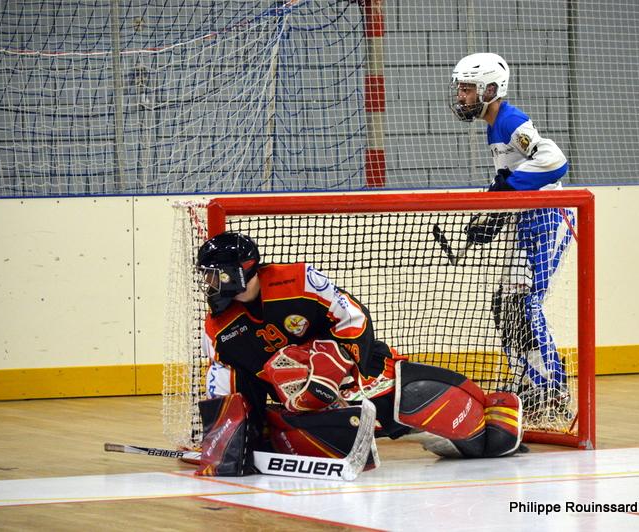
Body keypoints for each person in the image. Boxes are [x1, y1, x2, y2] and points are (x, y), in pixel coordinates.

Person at [194, 231, 524, 475]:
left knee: (487, 433)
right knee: (288, 372)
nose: (208, 283)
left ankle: (416, 423)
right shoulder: (219, 328)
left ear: (236, 272)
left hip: (359, 377)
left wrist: (336, 366)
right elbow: (227, 384)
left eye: (213, 274)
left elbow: (353, 317)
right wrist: (226, 434)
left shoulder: (296, 280)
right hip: (301, 408)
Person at [449, 52, 574, 421]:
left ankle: (553, 389)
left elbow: (553, 161)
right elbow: (510, 180)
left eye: (468, 89)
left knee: (526, 303)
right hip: (527, 221)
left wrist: (506, 192)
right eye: (461, 88)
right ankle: (529, 384)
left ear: (491, 88)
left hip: (549, 218)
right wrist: (495, 216)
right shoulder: (493, 126)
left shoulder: (511, 121)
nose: (462, 96)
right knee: (507, 304)